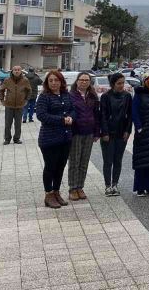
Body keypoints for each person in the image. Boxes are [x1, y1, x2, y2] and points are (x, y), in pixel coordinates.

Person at [36, 71, 74, 208]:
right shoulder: (44, 97)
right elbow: (41, 115)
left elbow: (72, 110)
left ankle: (57, 191)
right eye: (51, 80)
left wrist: (70, 117)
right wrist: (62, 120)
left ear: (61, 81)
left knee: (60, 167)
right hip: (49, 138)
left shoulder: (66, 95)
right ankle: (49, 194)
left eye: (56, 80)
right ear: (47, 82)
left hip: (65, 137)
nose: (53, 83)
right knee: (50, 167)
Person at [67, 72, 101, 201]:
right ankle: (72, 188)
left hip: (89, 132)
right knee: (74, 161)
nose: (84, 82)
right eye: (81, 80)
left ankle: (80, 186)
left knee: (84, 161)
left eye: (87, 80)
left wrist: (97, 132)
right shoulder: (71, 96)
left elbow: (97, 115)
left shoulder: (92, 96)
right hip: (76, 132)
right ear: (77, 81)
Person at [100, 72, 133, 197]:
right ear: (113, 84)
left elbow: (130, 115)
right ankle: (108, 185)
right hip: (108, 133)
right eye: (119, 83)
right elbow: (102, 115)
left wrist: (128, 131)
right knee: (108, 161)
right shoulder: (105, 96)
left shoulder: (127, 96)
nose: (121, 85)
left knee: (118, 160)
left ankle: (115, 184)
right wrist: (105, 132)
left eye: (123, 83)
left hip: (121, 133)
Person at [0, 65, 30, 145]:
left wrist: (26, 100)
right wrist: (2, 100)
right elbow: (1, 90)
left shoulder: (25, 80)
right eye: (15, 70)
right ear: (12, 71)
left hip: (20, 105)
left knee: (18, 123)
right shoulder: (7, 80)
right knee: (8, 123)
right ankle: (7, 139)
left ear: (21, 71)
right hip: (9, 105)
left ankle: (16, 138)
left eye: (18, 70)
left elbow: (29, 90)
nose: (16, 71)